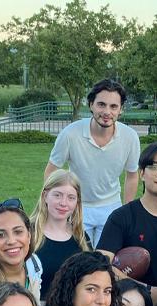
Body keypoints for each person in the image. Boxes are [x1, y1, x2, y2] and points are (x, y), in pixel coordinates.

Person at [44, 79, 140, 246]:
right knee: (78, 262)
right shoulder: (70, 134)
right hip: (77, 207)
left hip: (112, 207)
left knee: (106, 264)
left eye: (113, 106)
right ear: (91, 105)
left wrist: (127, 211)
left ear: (121, 109)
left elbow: (132, 175)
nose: (107, 112)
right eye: (101, 104)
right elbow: (51, 171)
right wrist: (55, 204)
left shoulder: (130, 137)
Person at [98, 142, 157, 299]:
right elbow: (101, 263)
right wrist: (146, 290)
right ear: (142, 173)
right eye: (154, 167)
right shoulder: (121, 217)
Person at [31, 169, 91, 303]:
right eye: (57, 195)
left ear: (77, 202)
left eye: (71, 198)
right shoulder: (29, 233)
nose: (63, 203)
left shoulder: (81, 238)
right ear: (45, 195)